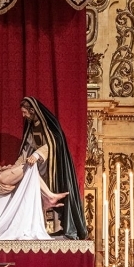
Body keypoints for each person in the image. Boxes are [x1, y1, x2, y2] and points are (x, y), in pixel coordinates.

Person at [18, 97, 87, 240]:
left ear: (32, 110)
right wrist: (18, 164)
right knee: (35, 191)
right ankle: (40, 227)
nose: (23, 116)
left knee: (57, 193)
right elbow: (28, 148)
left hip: (55, 167)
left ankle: (63, 228)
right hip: (40, 166)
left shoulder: (48, 125)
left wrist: (37, 154)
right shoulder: (31, 126)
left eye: (25, 112)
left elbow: (54, 143)